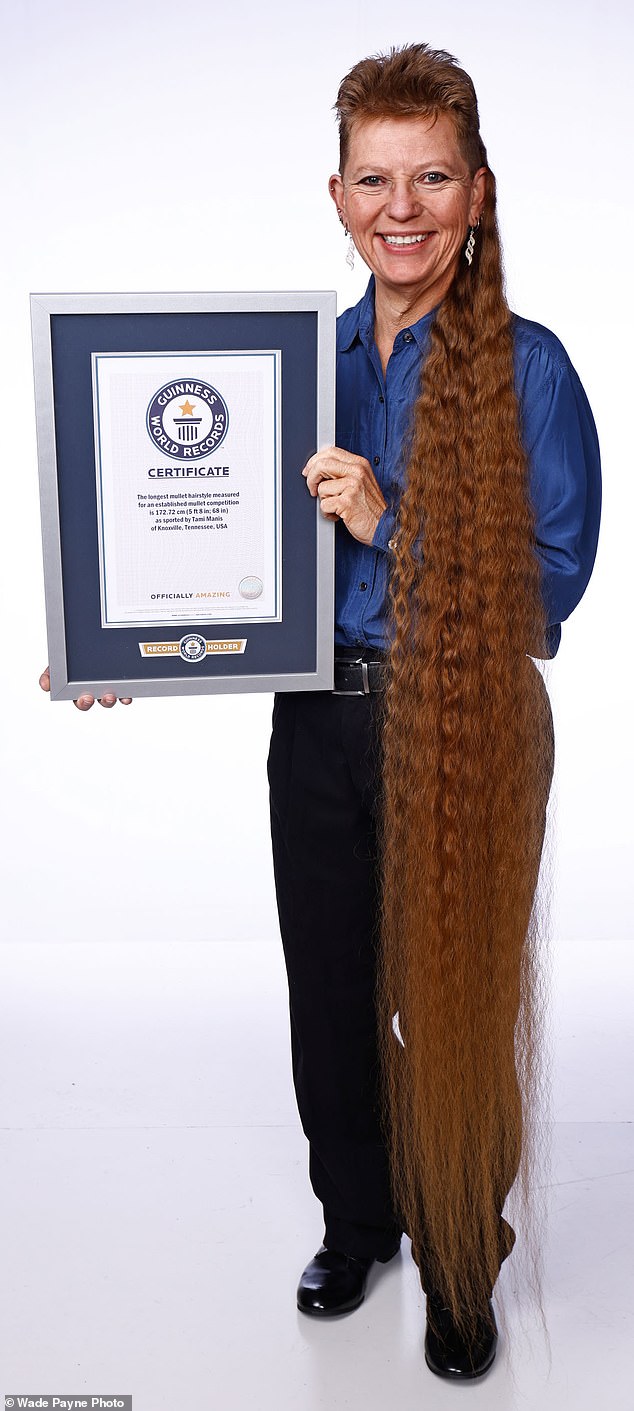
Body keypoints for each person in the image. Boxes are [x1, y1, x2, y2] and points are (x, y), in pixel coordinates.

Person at [40, 42, 602, 1383]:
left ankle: (463, 1252)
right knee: (335, 1001)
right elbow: (206, 539)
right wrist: (127, 636)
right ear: (335, 194)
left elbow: (546, 596)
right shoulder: (286, 359)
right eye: (371, 179)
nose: (397, 207)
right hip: (319, 728)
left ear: (475, 190)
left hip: (464, 722)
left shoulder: (529, 369)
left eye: (429, 177)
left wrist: (386, 521)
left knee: (447, 1007)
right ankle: (359, 1224)